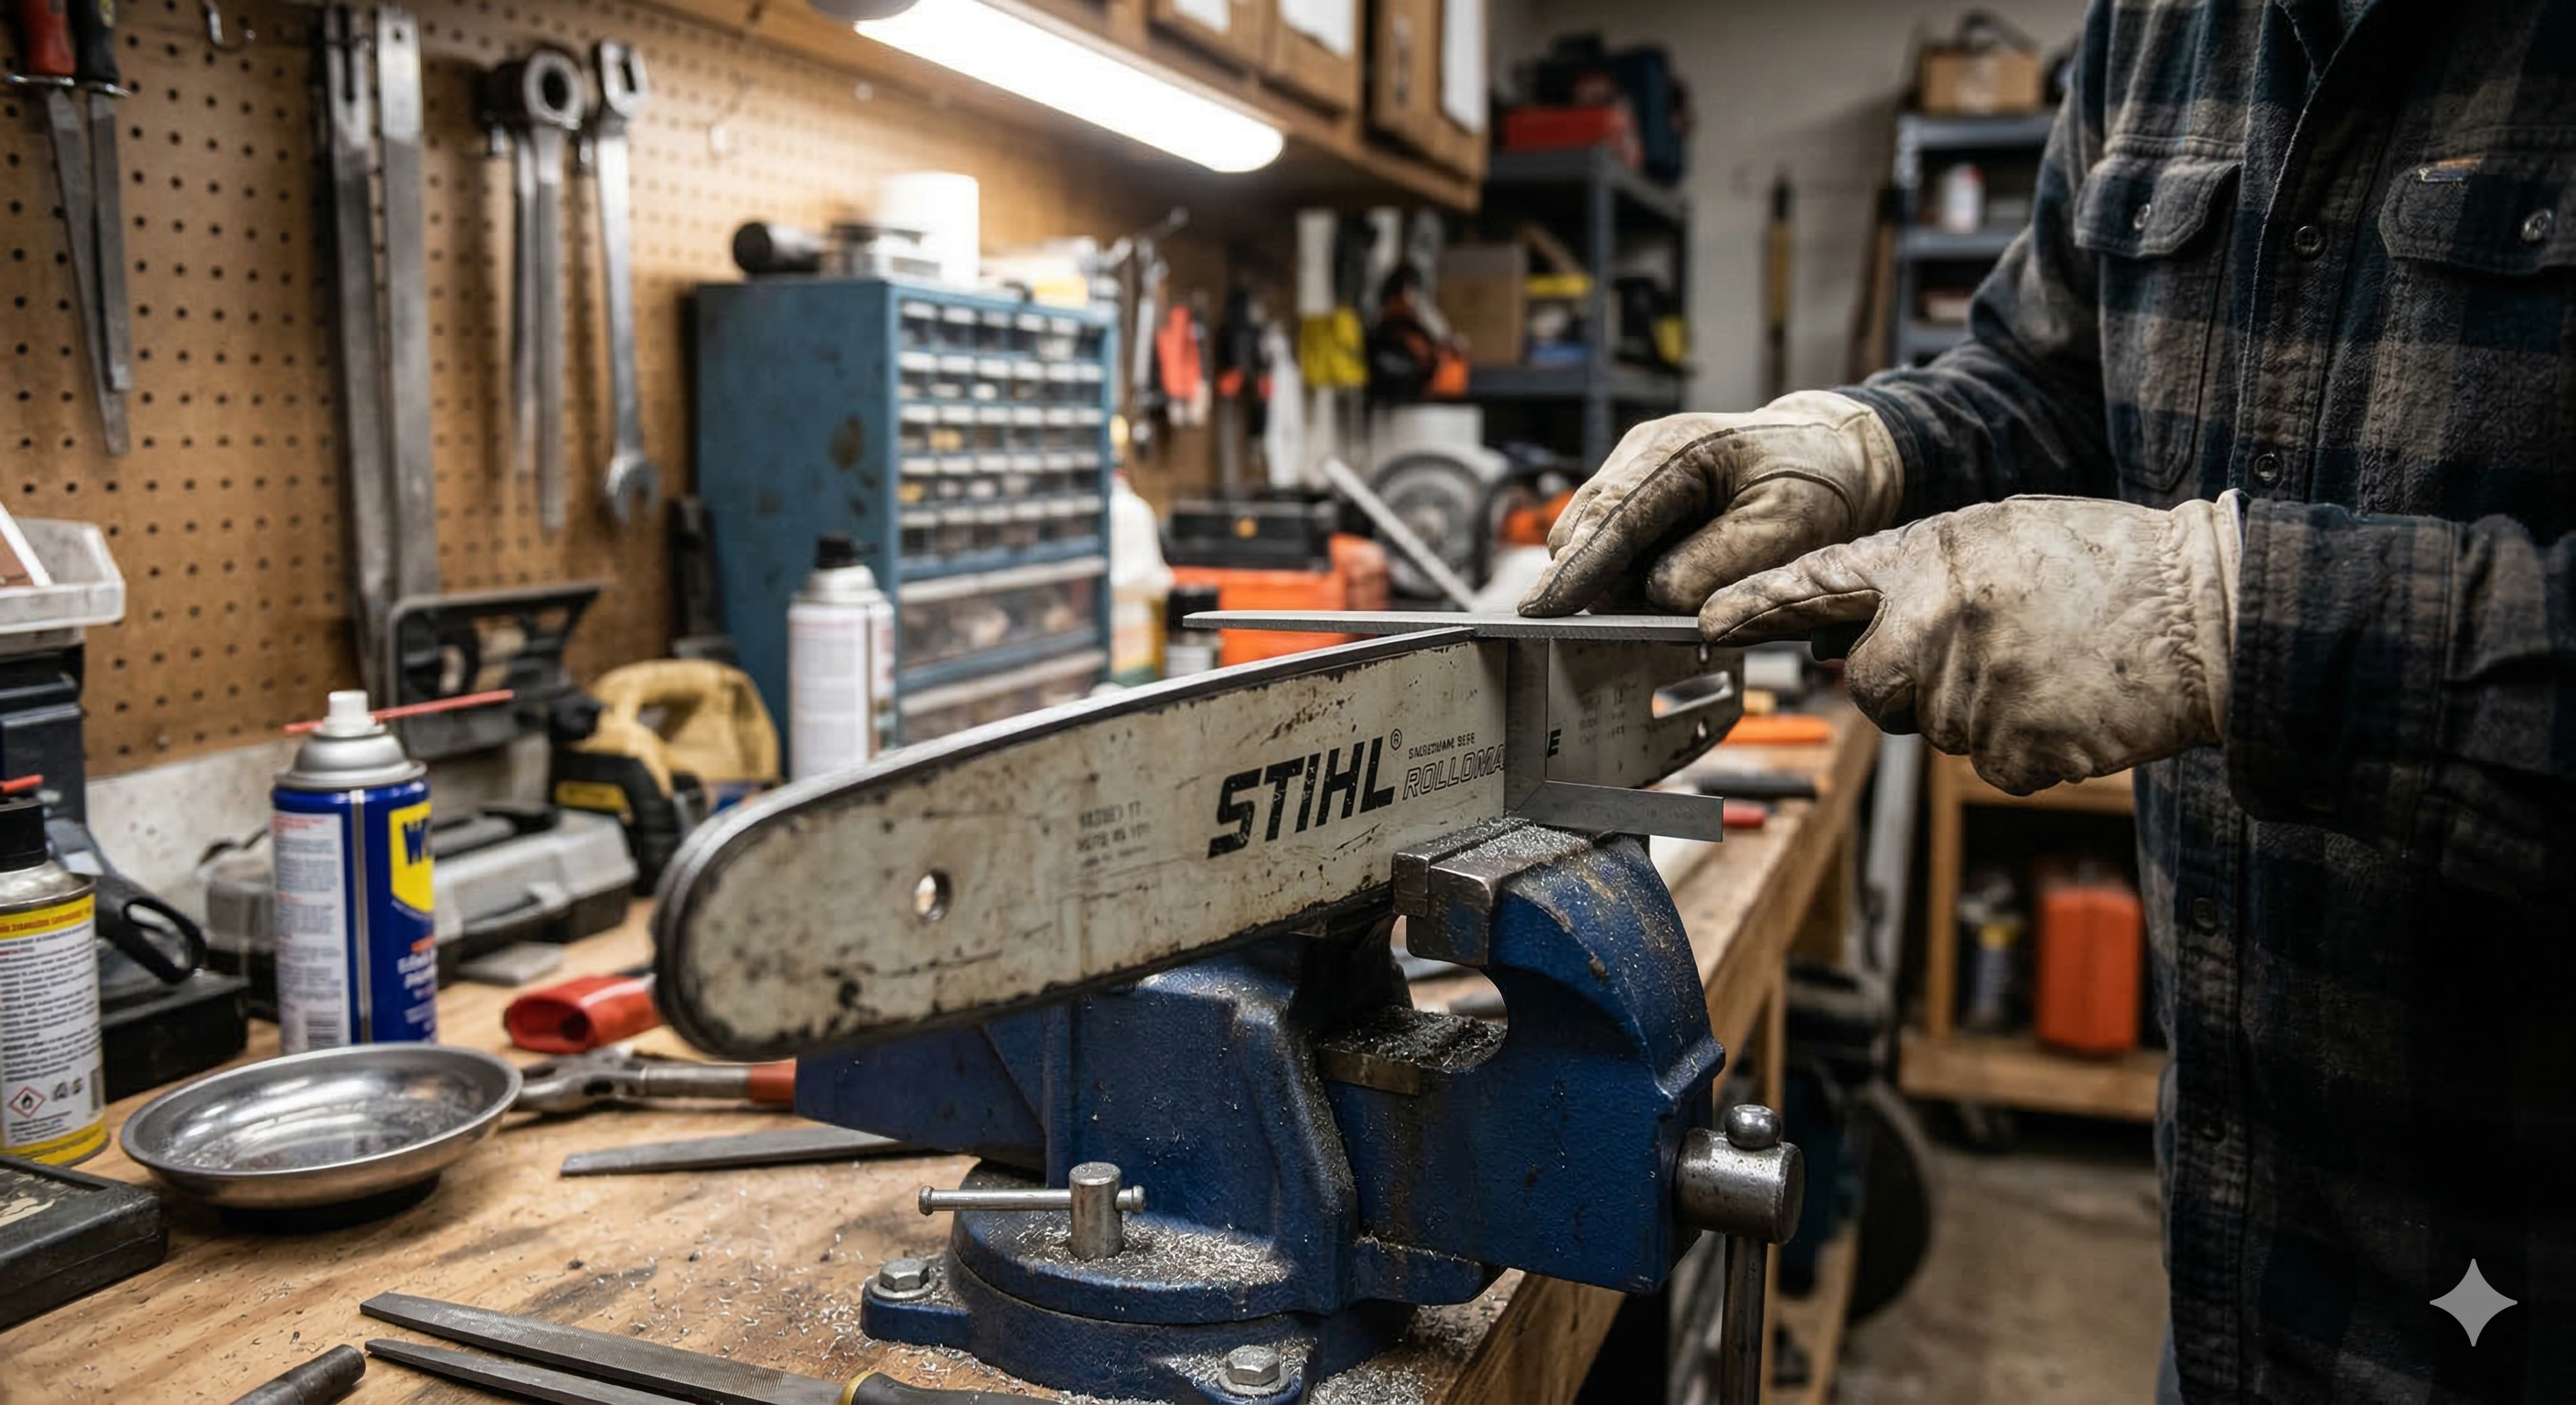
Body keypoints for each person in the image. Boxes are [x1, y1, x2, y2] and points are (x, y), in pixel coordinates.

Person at [1519, 2, 2576, 1400]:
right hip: (2242, 1246)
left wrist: (2241, 620)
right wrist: (1869, 447)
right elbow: (2051, 377)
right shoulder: (2160, 28)